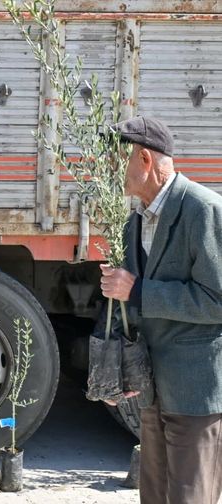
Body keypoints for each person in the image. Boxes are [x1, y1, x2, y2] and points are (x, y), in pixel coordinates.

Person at [99, 116, 222, 504]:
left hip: (195, 395)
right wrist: (115, 372)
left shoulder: (202, 209)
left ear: (146, 160)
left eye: (119, 160)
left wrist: (139, 290)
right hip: (152, 395)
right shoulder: (133, 221)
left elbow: (217, 300)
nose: (111, 170)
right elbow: (135, 310)